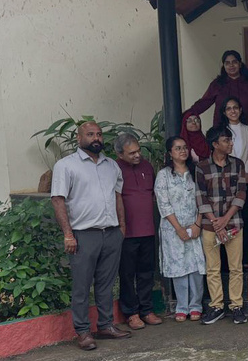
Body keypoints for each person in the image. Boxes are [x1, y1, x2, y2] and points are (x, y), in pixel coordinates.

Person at [51, 121, 130, 350]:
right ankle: (83, 332)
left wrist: (121, 227)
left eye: (99, 134)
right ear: (78, 138)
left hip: (111, 233)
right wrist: (68, 234)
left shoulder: (112, 166)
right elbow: (58, 200)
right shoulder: (66, 166)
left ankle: (106, 325)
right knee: (82, 286)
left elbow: (118, 197)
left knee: (106, 284)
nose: (96, 138)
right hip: (83, 235)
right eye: (90, 134)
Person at [196, 126, 248, 325]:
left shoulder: (238, 164)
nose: (230, 143)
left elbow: (241, 194)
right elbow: (200, 197)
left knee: (236, 268)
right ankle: (216, 306)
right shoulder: (202, 167)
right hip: (210, 225)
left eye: (230, 140)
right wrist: (217, 224)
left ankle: (236, 306)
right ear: (215, 144)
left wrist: (226, 219)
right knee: (213, 268)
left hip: (233, 222)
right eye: (226, 140)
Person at [113, 133, 162, 330]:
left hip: (147, 229)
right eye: (131, 153)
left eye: (138, 151)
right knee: (126, 274)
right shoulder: (113, 169)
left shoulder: (147, 166)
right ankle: (131, 313)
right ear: (119, 154)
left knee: (146, 273)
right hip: (126, 233)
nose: (137, 155)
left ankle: (147, 310)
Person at [154, 136, 206, 323]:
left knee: (196, 266)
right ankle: (182, 306)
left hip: (195, 226)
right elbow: (164, 203)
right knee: (179, 267)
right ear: (170, 153)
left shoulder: (196, 172)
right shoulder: (164, 175)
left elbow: (203, 200)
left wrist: (198, 224)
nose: (182, 151)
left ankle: (196, 306)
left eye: (185, 147)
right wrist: (178, 228)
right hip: (172, 229)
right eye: (177, 148)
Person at [218, 96, 248, 270]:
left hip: (247, 179)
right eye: (229, 108)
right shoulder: (222, 131)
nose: (233, 111)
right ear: (224, 112)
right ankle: (230, 259)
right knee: (229, 219)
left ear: (241, 110)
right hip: (227, 181)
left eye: (236, 107)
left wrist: (245, 171)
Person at [186, 50, 248, 126]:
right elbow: (204, 102)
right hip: (221, 130)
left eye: (234, 62)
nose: (231, 65)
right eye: (227, 63)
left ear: (240, 64)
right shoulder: (217, 84)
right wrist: (187, 114)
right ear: (224, 66)